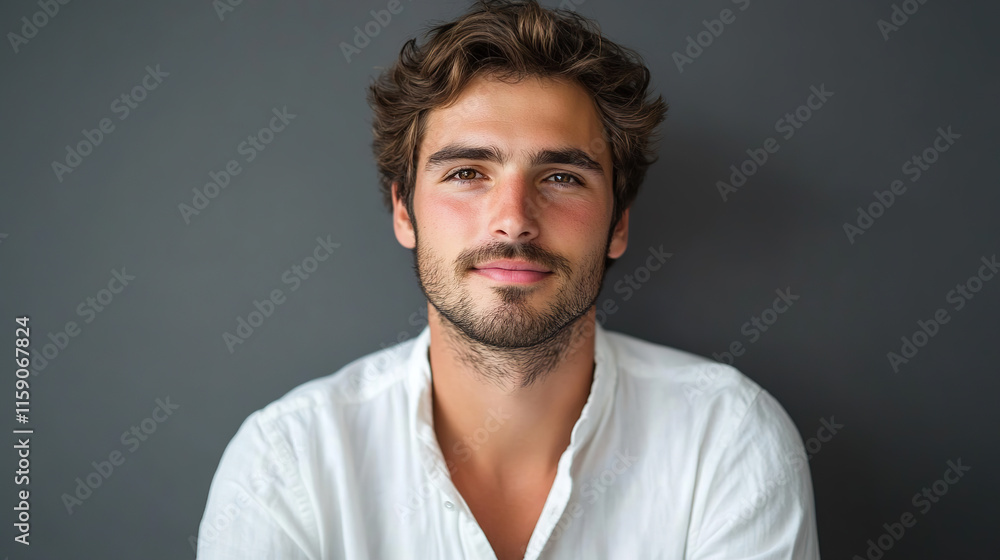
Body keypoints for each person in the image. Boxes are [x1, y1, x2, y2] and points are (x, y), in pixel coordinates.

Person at [196, 1, 820, 558]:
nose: (514, 220)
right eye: (467, 173)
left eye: (562, 177)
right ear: (404, 212)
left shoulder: (727, 440)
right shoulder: (286, 467)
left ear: (618, 224)